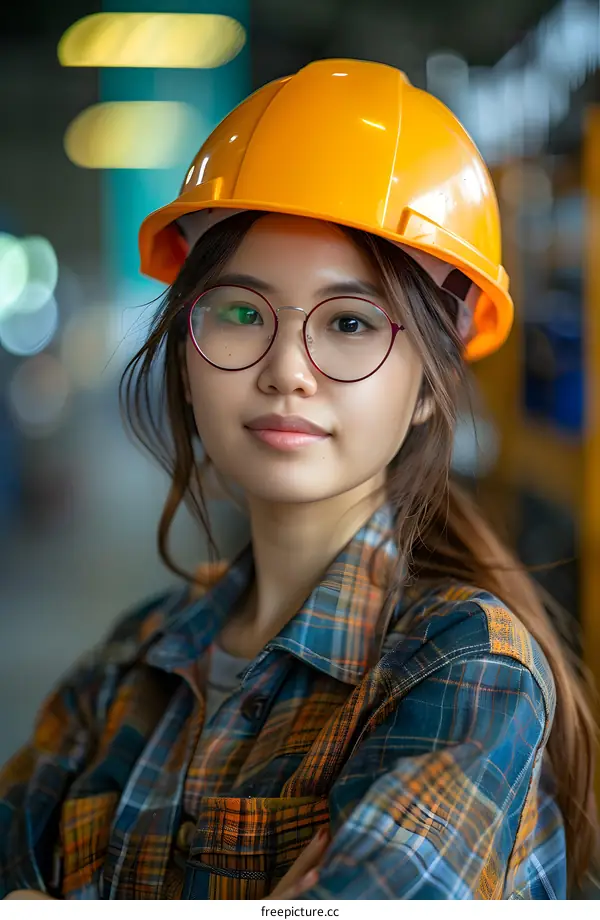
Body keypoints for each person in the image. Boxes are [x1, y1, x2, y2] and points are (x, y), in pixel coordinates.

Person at [0, 58, 596, 901]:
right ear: (185, 345)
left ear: (432, 386)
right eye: (241, 312)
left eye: (350, 322)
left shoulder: (464, 672)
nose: (287, 370)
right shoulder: (126, 669)